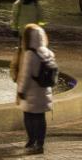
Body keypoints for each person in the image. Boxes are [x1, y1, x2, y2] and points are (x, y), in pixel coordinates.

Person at [12, 23, 57, 155]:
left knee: (29, 118)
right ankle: (40, 143)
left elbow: (25, 75)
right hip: (43, 92)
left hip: (31, 93)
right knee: (40, 119)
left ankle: (32, 141)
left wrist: (21, 91)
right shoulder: (47, 52)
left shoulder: (29, 54)